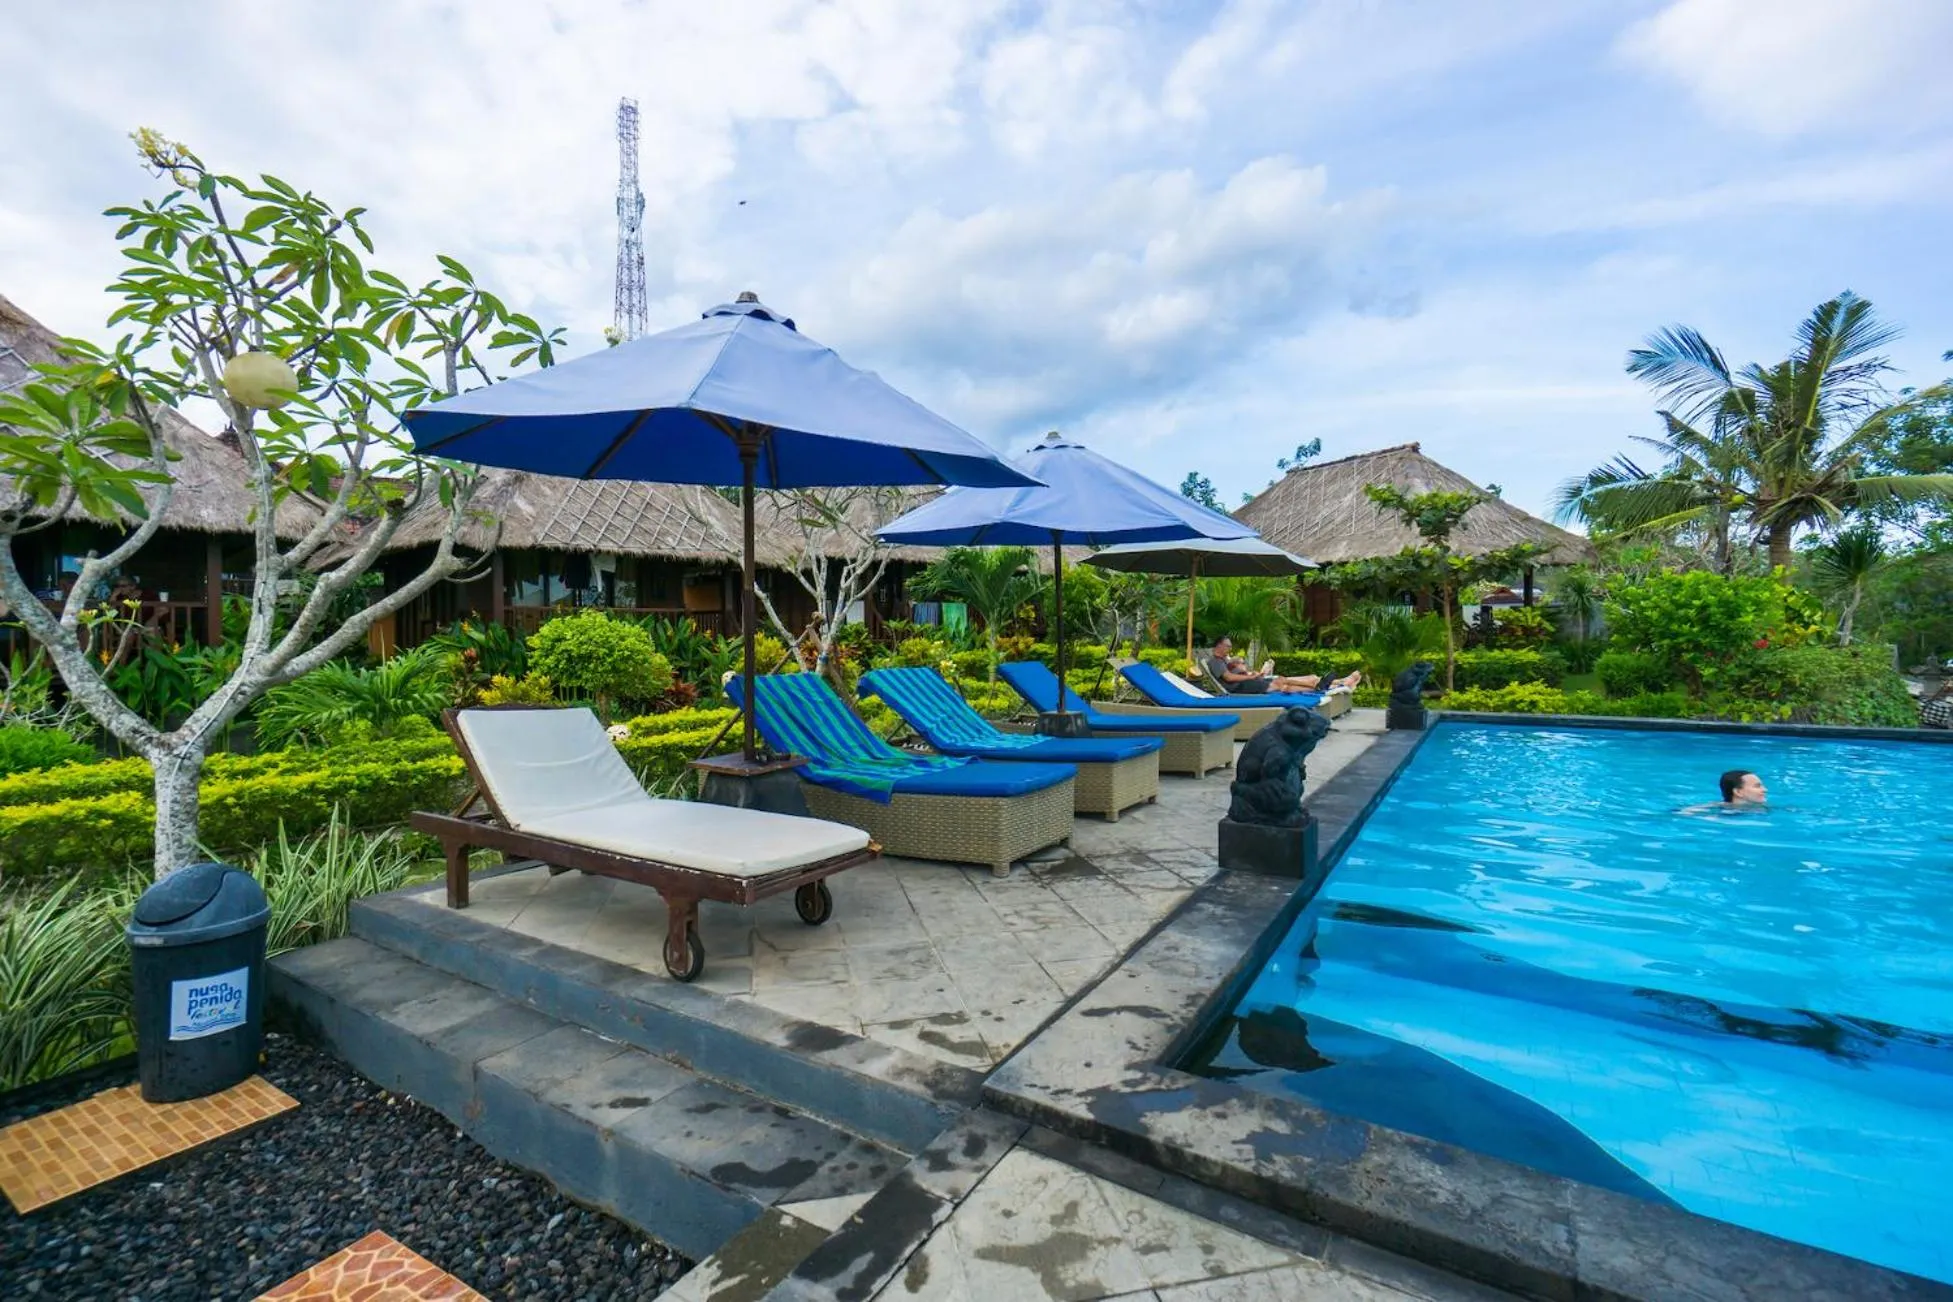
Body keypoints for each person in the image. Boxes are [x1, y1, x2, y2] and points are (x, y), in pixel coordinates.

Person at [1203, 636, 1361, 696]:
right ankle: (1319, 686)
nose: (1229, 649)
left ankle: (1330, 685)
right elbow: (1229, 678)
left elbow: (1236, 672)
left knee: (1285, 685)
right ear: (1219, 646)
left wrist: (1250, 673)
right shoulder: (1215, 661)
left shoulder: (1224, 660)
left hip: (1247, 683)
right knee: (1282, 681)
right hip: (1241, 688)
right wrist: (1251, 677)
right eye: (1227, 646)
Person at [1679, 769, 1767, 815]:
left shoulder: (1763, 809)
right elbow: (1683, 813)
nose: (1765, 790)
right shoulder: (1715, 809)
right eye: (1757, 786)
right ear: (1738, 792)